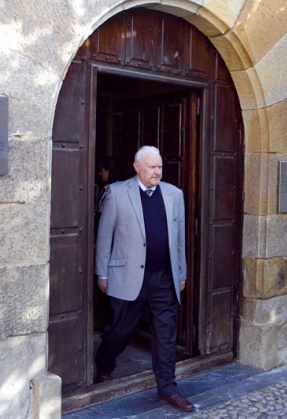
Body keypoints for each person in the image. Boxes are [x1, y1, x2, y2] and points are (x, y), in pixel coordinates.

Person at [94, 145, 193, 412]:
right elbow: (105, 237)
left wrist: (181, 272)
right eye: (152, 167)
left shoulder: (174, 194)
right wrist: (102, 273)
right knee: (121, 329)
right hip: (127, 276)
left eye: (160, 166)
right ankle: (103, 365)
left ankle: (168, 389)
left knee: (165, 334)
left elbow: (179, 239)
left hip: (164, 278)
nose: (157, 172)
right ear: (137, 167)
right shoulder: (117, 193)